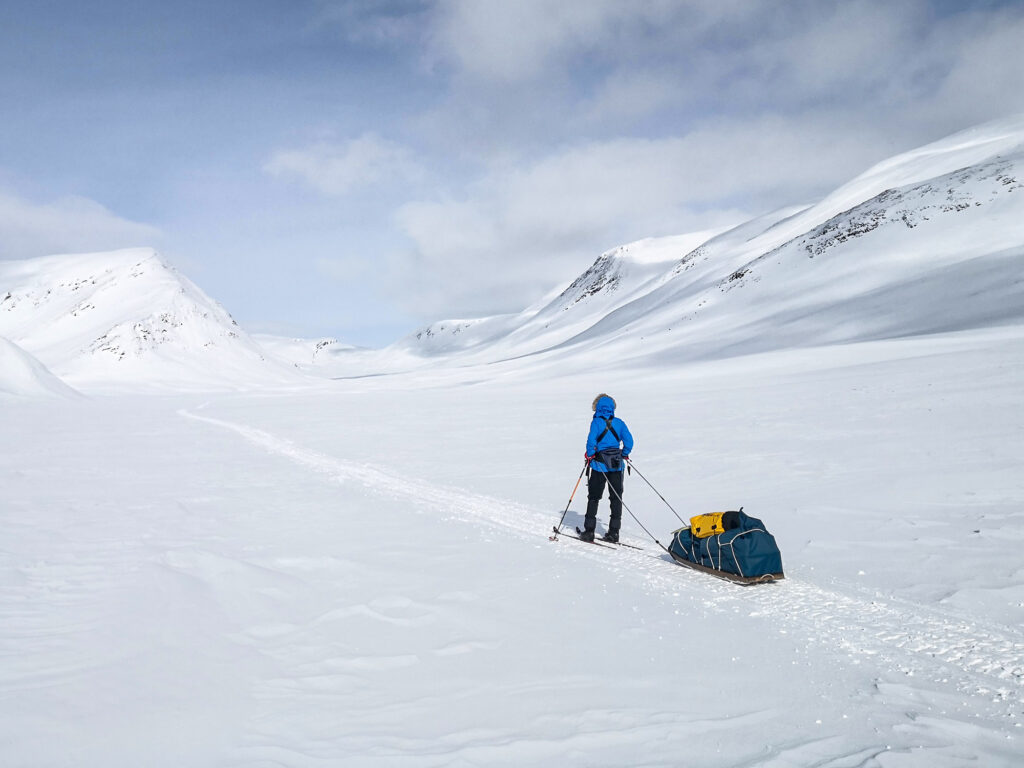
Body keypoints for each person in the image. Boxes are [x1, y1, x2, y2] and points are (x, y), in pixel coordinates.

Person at [581, 394, 634, 543]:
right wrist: (624, 454)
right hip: (617, 466)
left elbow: (591, 441)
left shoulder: (596, 422)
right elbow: (629, 441)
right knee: (616, 498)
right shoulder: (619, 422)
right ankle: (614, 532)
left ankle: (589, 531)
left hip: (599, 466)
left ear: (597, 407)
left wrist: (590, 454)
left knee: (594, 497)